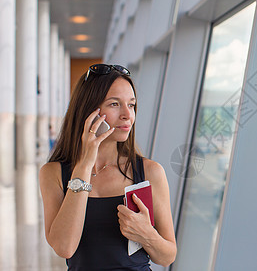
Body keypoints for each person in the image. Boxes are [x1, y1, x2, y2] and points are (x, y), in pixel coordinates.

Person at [39, 64, 176, 270]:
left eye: (131, 105)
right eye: (114, 104)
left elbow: (167, 257)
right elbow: (64, 247)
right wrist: (84, 165)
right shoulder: (54, 173)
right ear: (88, 111)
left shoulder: (149, 172)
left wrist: (146, 234)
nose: (127, 115)